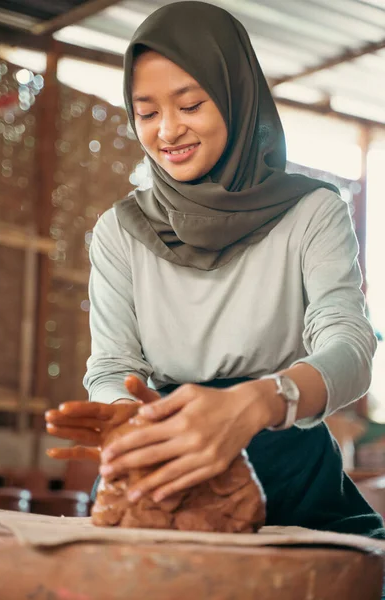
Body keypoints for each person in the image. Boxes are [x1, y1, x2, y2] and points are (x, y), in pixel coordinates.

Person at [46, 0, 385, 551]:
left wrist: (262, 401)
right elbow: (112, 366)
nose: (168, 130)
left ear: (236, 96)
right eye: (147, 112)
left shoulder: (313, 211)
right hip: (164, 464)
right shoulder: (120, 230)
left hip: (289, 464)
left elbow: (349, 344)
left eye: (191, 104)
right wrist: (133, 420)